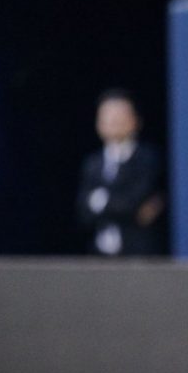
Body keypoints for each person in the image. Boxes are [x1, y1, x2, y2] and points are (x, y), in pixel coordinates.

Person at [76, 89, 165, 256]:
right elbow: (83, 211)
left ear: (136, 120)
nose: (113, 120)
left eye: (120, 114)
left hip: (139, 256)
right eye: (107, 114)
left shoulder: (147, 158)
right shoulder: (92, 164)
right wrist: (124, 208)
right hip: (99, 256)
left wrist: (101, 202)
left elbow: (135, 202)